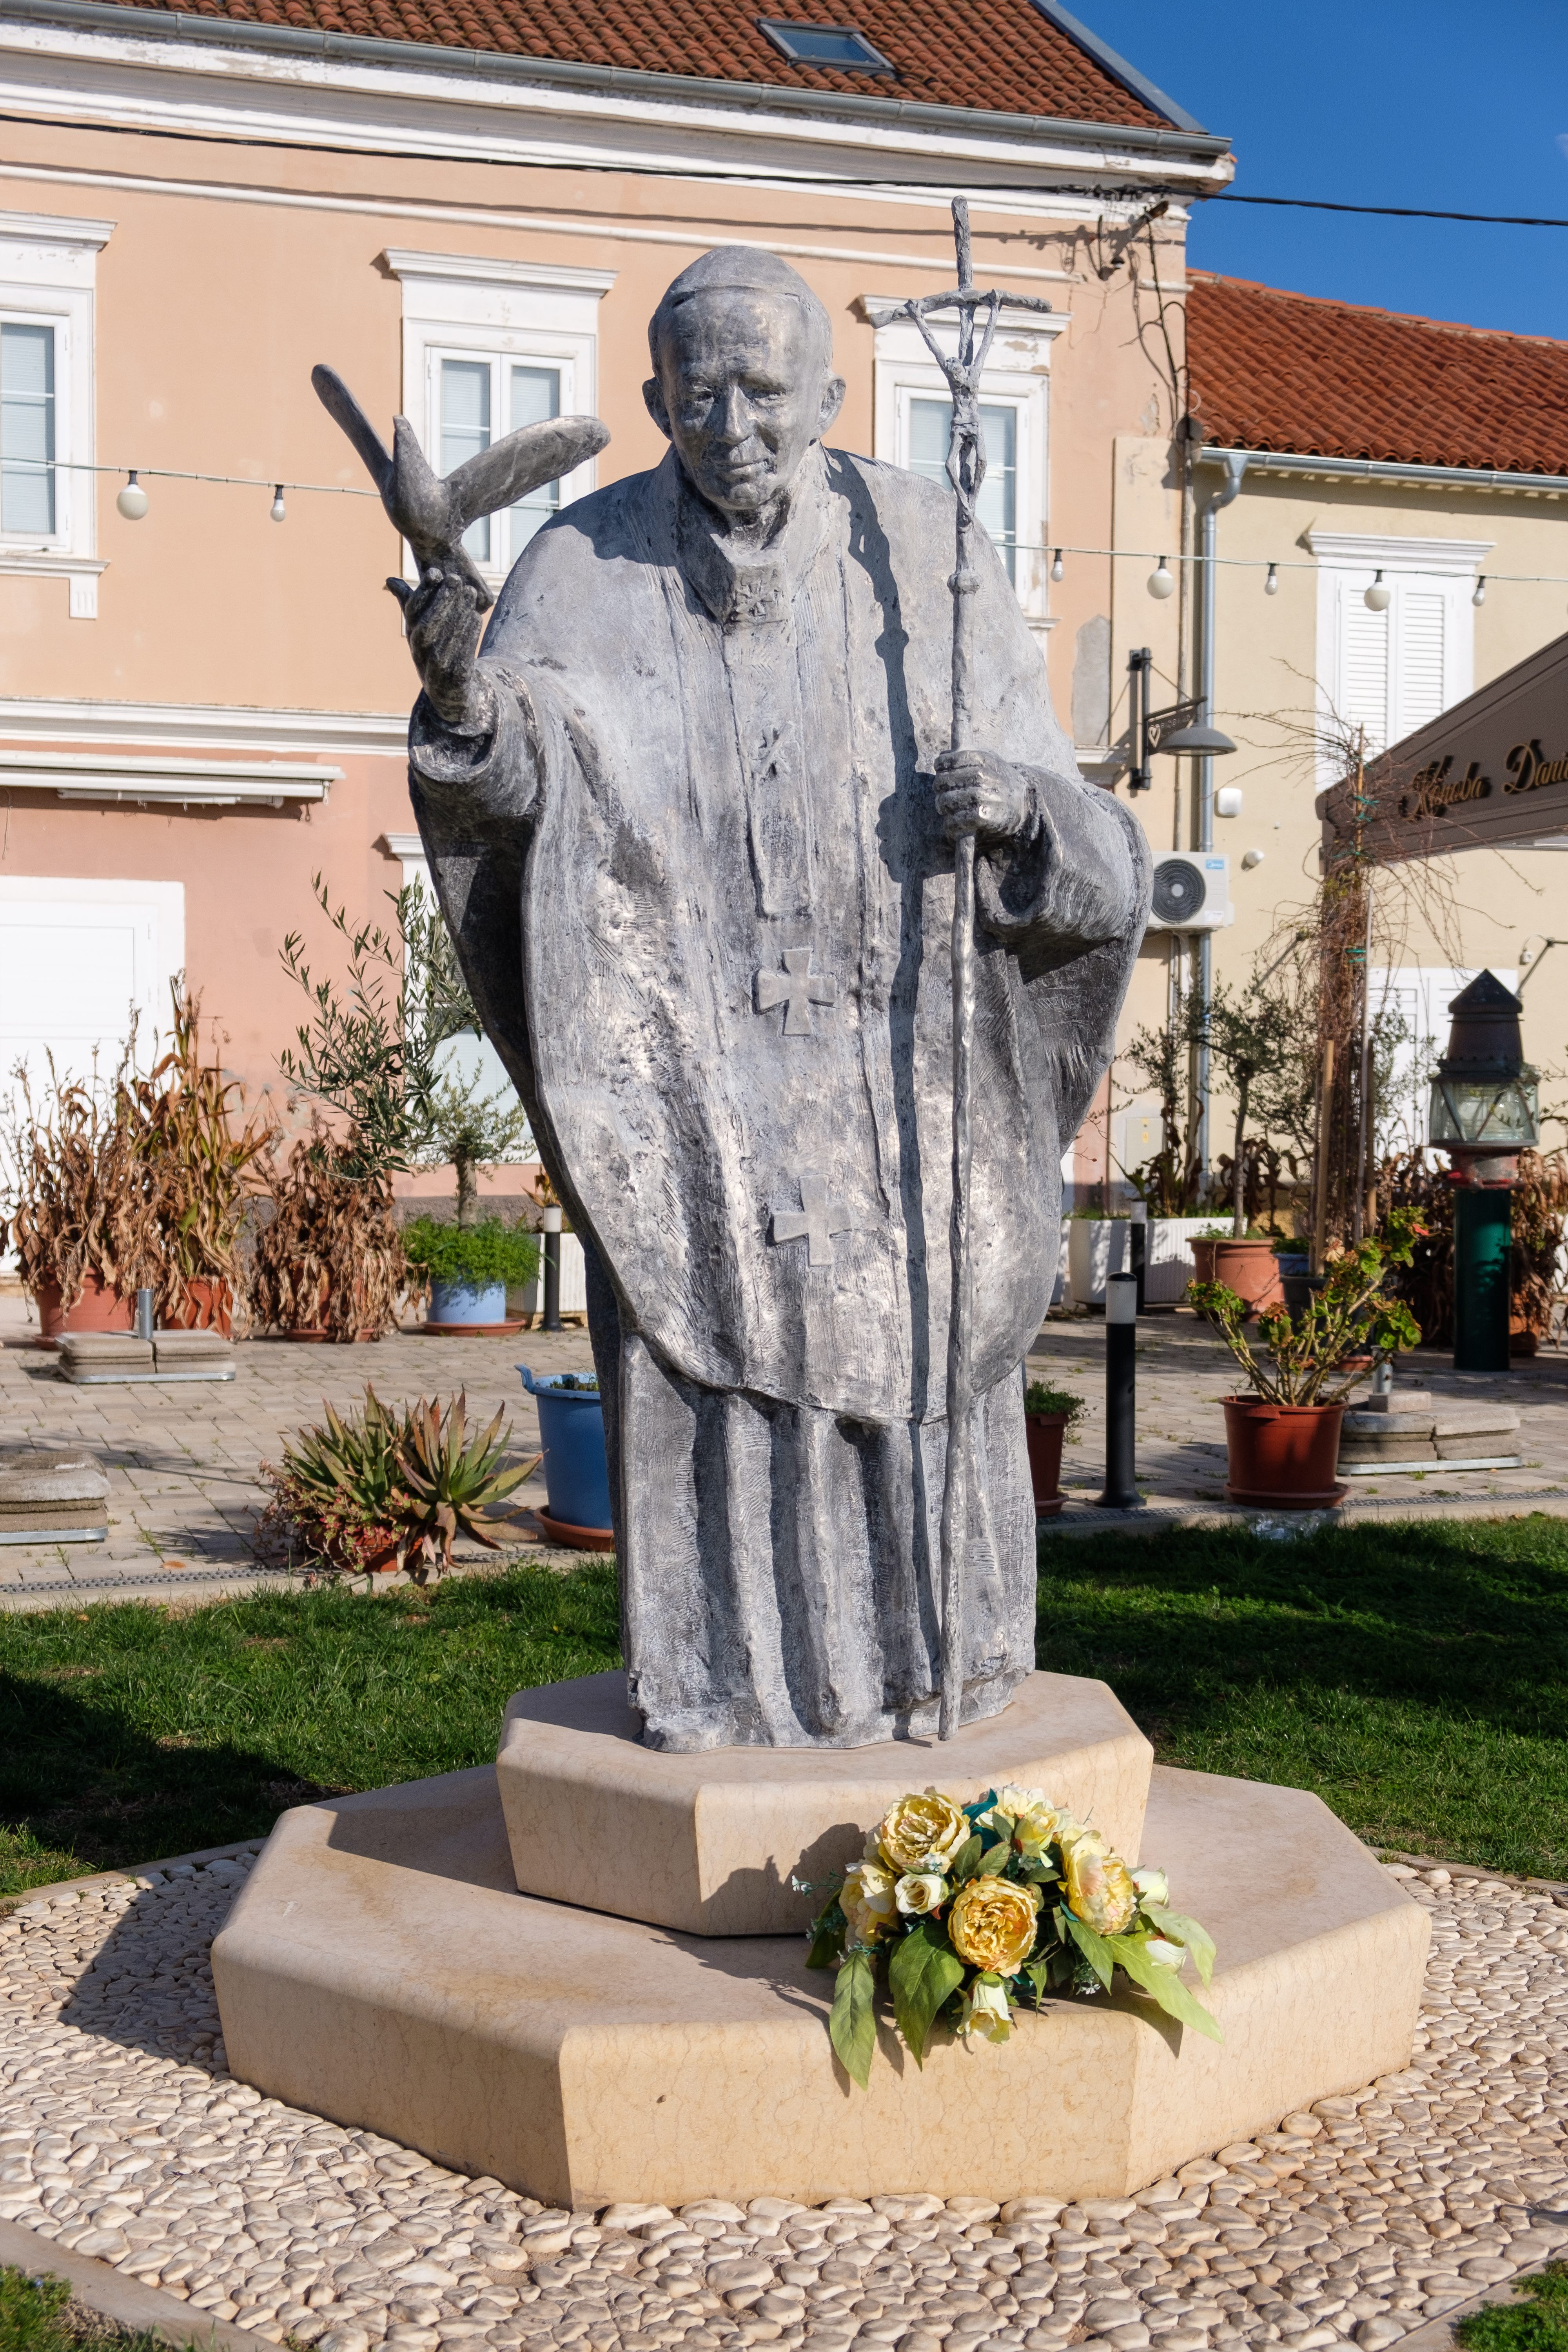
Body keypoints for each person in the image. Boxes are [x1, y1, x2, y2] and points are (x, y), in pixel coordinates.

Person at [401, 246, 1150, 1753]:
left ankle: (936, 1668)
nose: (732, 424)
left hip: (900, 1076)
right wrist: (467, 702)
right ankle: (729, 1687)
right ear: (651, 400)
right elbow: (523, 775)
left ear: (827, 392)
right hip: (692, 1072)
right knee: (712, 1367)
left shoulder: (926, 546)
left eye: (762, 390)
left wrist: (1013, 808)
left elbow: (1085, 830)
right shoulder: (579, 563)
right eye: (696, 395)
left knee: (921, 1354)